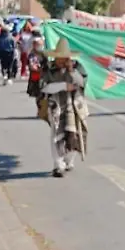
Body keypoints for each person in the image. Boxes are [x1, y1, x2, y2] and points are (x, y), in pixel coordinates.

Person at [40, 39, 89, 178]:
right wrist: (63, 86)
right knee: (55, 134)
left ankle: (69, 160)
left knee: (73, 133)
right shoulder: (49, 69)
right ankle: (57, 164)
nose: (62, 60)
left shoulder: (77, 66)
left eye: (64, 57)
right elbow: (44, 87)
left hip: (74, 105)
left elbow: (82, 82)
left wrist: (72, 71)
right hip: (55, 105)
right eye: (59, 57)